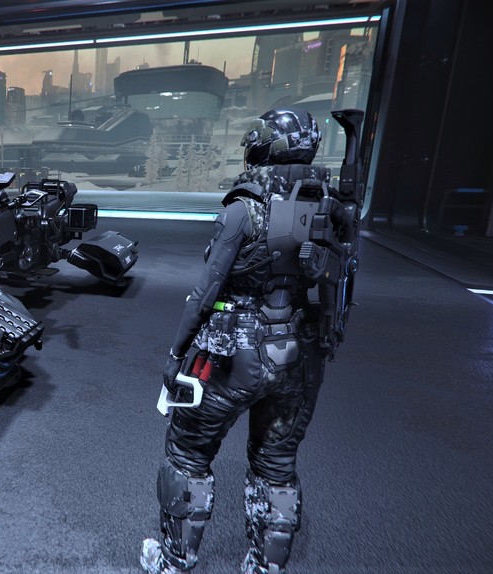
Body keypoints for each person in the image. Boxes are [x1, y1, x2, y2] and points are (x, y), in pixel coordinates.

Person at [141, 107, 344, 574]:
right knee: (277, 462)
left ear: (261, 147)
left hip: (235, 353)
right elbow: (335, 282)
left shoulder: (243, 208)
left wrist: (176, 353)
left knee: (188, 453)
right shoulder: (329, 207)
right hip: (299, 356)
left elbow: (205, 292)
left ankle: (174, 560)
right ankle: (264, 566)